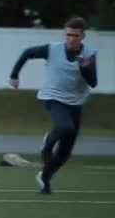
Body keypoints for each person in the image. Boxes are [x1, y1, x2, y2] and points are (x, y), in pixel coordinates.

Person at [8, 16, 97, 194]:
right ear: (65, 34)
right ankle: (47, 143)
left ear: (83, 36)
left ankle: (44, 179)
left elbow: (93, 82)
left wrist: (85, 67)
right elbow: (27, 53)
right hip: (52, 97)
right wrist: (14, 75)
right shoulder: (52, 49)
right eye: (69, 35)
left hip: (76, 103)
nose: (72, 39)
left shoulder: (89, 54)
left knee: (65, 153)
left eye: (76, 36)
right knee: (64, 127)